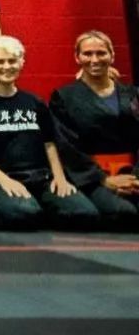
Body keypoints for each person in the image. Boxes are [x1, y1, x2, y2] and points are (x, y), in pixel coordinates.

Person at [0, 35, 99, 229]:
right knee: (25, 215)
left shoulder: (35, 102)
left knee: (84, 213)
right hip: (1, 180)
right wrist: (4, 180)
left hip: (41, 178)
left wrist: (59, 178)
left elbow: (49, 144)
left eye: (12, 61)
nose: (6, 66)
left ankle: (44, 205)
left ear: (21, 63)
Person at [48, 30, 137, 226]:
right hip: (93, 177)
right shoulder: (64, 97)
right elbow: (66, 145)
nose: (94, 59)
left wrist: (136, 177)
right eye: (87, 54)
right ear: (77, 57)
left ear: (112, 55)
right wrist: (103, 180)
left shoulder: (133, 94)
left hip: (133, 174)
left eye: (101, 53)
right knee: (125, 213)